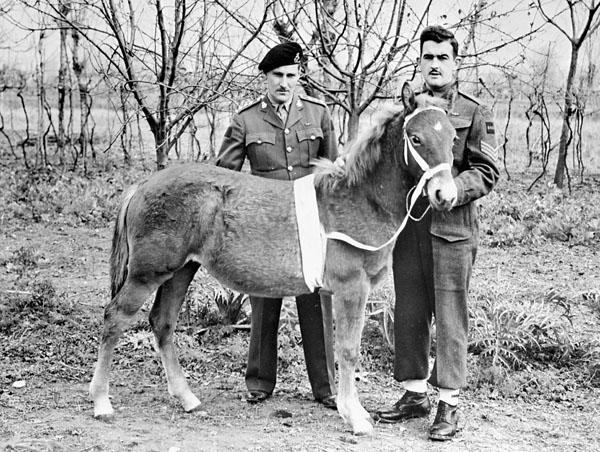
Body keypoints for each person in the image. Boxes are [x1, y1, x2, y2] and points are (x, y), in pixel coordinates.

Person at [375, 25, 500, 441]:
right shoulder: (408, 109)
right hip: (411, 227)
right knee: (408, 310)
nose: (434, 64)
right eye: (428, 56)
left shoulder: (472, 112)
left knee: (450, 316)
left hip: (453, 231)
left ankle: (448, 404)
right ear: (420, 60)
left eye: (442, 57)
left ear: (455, 63)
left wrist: (456, 189)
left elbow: (487, 171)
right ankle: (413, 395)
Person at [215, 42, 337, 409]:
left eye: (291, 76)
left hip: (309, 225)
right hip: (265, 228)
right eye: (278, 76)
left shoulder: (318, 114)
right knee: (264, 304)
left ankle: (326, 386)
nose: (285, 83)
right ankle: (259, 382)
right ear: (265, 78)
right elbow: (224, 178)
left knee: (315, 299)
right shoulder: (246, 120)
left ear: (299, 77)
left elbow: (331, 172)